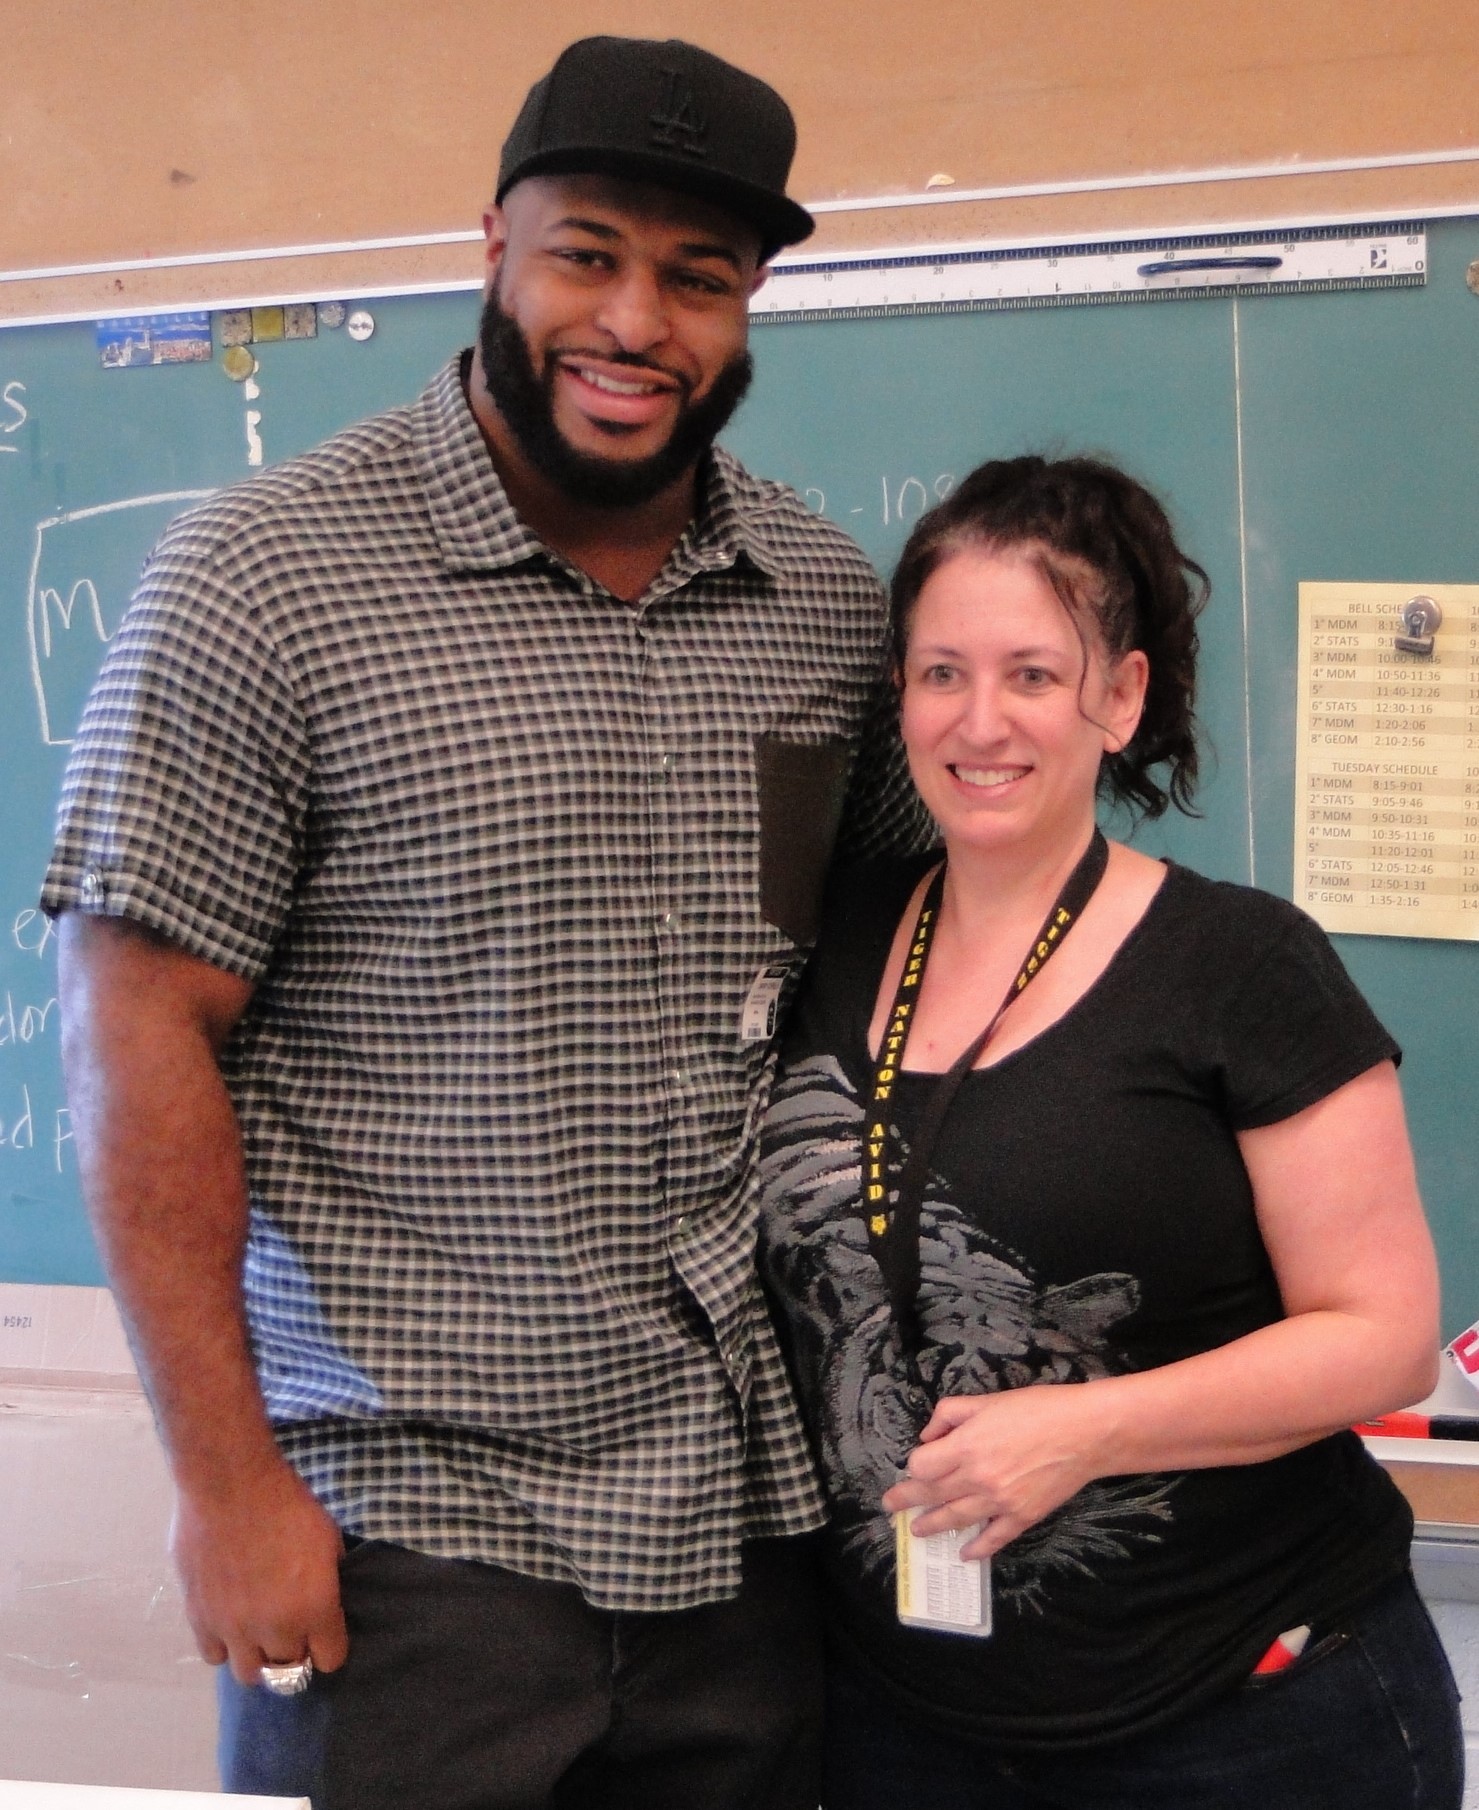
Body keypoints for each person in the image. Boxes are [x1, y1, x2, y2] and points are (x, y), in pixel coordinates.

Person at [43, 36, 927, 1810]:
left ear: (751, 307)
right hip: (409, 1544)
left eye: (699, 280)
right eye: (586, 252)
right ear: (494, 245)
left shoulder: (823, 604)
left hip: (743, 1529)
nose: (636, 323)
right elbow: (136, 1035)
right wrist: (228, 1490)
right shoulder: (268, 579)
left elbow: (926, 971)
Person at [758, 454, 1463, 1809]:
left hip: (1244, 1714)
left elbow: (1381, 1330)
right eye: (941, 671)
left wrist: (1084, 1430)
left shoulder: (1242, 964)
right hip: (909, 1718)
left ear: (1120, 697)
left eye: (1032, 672)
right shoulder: (838, 941)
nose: (981, 720)